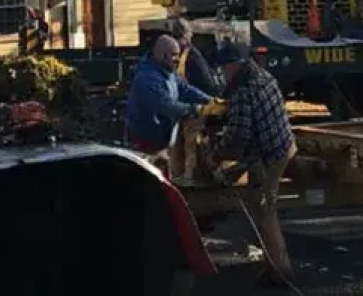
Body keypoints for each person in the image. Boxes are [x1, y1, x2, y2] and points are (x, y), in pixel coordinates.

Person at [208, 41, 297, 287]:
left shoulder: (243, 91)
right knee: (262, 207)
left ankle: (282, 273)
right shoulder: (263, 75)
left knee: (265, 211)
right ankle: (272, 266)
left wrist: (215, 155)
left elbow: (237, 137)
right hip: (284, 143)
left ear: (235, 65)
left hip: (271, 155)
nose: (223, 72)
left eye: (225, 67)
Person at [125, 34, 211, 173]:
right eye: (174, 55)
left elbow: (185, 89)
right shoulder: (148, 79)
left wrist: (209, 100)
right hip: (146, 140)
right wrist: (197, 109)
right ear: (162, 55)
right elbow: (167, 106)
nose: (178, 59)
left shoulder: (169, 71)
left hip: (163, 136)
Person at [168, 17, 224, 184]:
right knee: (185, 142)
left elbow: (205, 84)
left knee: (187, 142)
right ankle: (185, 177)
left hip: (190, 107)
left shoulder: (184, 56)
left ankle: (187, 177)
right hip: (187, 107)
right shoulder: (188, 55)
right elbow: (207, 83)